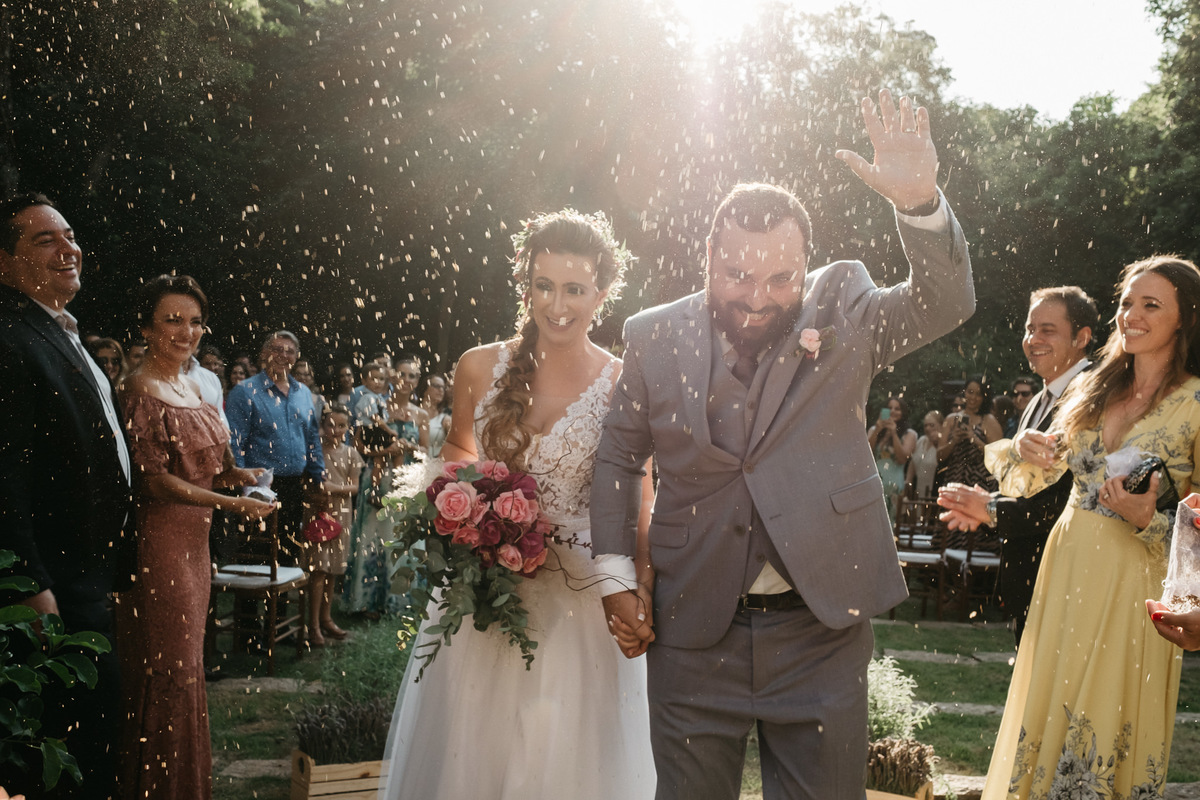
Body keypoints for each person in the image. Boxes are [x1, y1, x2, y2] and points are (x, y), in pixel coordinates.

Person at [590, 90, 974, 800]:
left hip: (819, 631)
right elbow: (617, 457)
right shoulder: (652, 334)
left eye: (780, 277)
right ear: (708, 254)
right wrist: (615, 576)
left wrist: (920, 205)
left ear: (808, 263)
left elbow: (944, 303)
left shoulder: (845, 306)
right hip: (691, 626)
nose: (758, 297)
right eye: (737, 275)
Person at [381, 208, 656, 799]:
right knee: (474, 751)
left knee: (558, 753)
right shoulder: (478, 367)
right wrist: (463, 511)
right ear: (525, 285)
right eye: (544, 286)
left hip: (580, 600)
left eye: (575, 289)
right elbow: (458, 450)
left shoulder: (625, 381)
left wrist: (643, 585)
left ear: (602, 293)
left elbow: (640, 499)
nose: (558, 305)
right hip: (484, 595)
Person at [973, 256, 1200, 800]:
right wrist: (1020, 449)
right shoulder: (1095, 387)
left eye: (1151, 305)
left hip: (1135, 582)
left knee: (1105, 721)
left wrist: (1153, 520)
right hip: (1066, 564)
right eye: (1127, 302)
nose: (1132, 315)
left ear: (1185, 319)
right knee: (1050, 712)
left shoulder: (1195, 404)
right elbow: (1031, 479)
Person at [114, 274, 273, 799]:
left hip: (195, 547)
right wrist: (231, 504)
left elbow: (199, 470)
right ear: (145, 327)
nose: (186, 332)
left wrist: (238, 477)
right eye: (172, 320)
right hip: (160, 546)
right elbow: (155, 480)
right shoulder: (140, 388)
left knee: (188, 667)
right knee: (169, 668)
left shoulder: (193, 384)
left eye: (195, 321)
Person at [0, 192, 134, 798]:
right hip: (52, 587)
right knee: (64, 756)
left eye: (70, 235)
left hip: (89, 574)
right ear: (4, 262)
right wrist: (31, 586)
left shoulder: (61, 333)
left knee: (95, 738)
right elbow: (4, 477)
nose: (67, 249)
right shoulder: (9, 339)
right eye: (43, 240)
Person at [937, 286, 1097, 645]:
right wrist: (988, 502)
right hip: (1031, 577)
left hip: (1070, 579)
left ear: (1082, 337)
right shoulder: (1040, 398)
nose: (1033, 339)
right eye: (1029, 328)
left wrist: (993, 510)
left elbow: (1071, 498)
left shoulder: (1092, 395)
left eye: (1048, 330)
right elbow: (1033, 484)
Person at [226, 330, 325, 564]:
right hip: (258, 486)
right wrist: (243, 486)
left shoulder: (303, 393)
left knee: (287, 556)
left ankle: (279, 602)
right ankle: (247, 600)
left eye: (289, 351)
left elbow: (311, 437)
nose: (283, 355)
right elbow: (234, 442)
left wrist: (318, 476)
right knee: (252, 558)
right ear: (264, 353)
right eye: (277, 349)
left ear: (297, 356)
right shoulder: (245, 391)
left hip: (294, 485)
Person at [306, 404, 362, 646]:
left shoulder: (351, 453)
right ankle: (313, 624)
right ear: (322, 426)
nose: (335, 430)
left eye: (341, 425)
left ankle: (327, 618)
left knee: (334, 569)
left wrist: (334, 489)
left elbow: (355, 487)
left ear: (348, 428)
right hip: (320, 512)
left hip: (342, 513)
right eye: (330, 424)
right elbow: (307, 483)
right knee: (319, 568)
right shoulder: (315, 451)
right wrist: (319, 492)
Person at [936, 376, 1003, 493]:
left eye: (978, 394)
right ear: (964, 392)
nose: (973, 397)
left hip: (981, 483)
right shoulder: (951, 420)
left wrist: (974, 439)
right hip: (954, 480)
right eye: (970, 392)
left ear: (984, 397)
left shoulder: (989, 421)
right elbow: (939, 457)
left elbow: (999, 456)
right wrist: (954, 441)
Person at [866, 396, 917, 521]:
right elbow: (866, 454)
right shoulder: (874, 430)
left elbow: (902, 458)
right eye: (889, 408)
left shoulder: (910, 434)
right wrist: (878, 429)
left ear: (903, 412)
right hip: (874, 483)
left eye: (897, 409)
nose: (893, 411)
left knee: (890, 523)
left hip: (894, 485)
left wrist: (894, 433)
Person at [906, 410, 943, 500]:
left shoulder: (943, 444)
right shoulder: (922, 440)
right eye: (925, 425)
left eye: (932, 425)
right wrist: (908, 480)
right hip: (918, 491)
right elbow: (913, 462)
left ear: (941, 425)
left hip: (933, 493)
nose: (928, 428)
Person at [420, 372, 453, 456]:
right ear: (425, 389)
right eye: (436, 386)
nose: (441, 390)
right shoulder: (412, 413)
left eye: (443, 387)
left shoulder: (446, 420)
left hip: (432, 463)